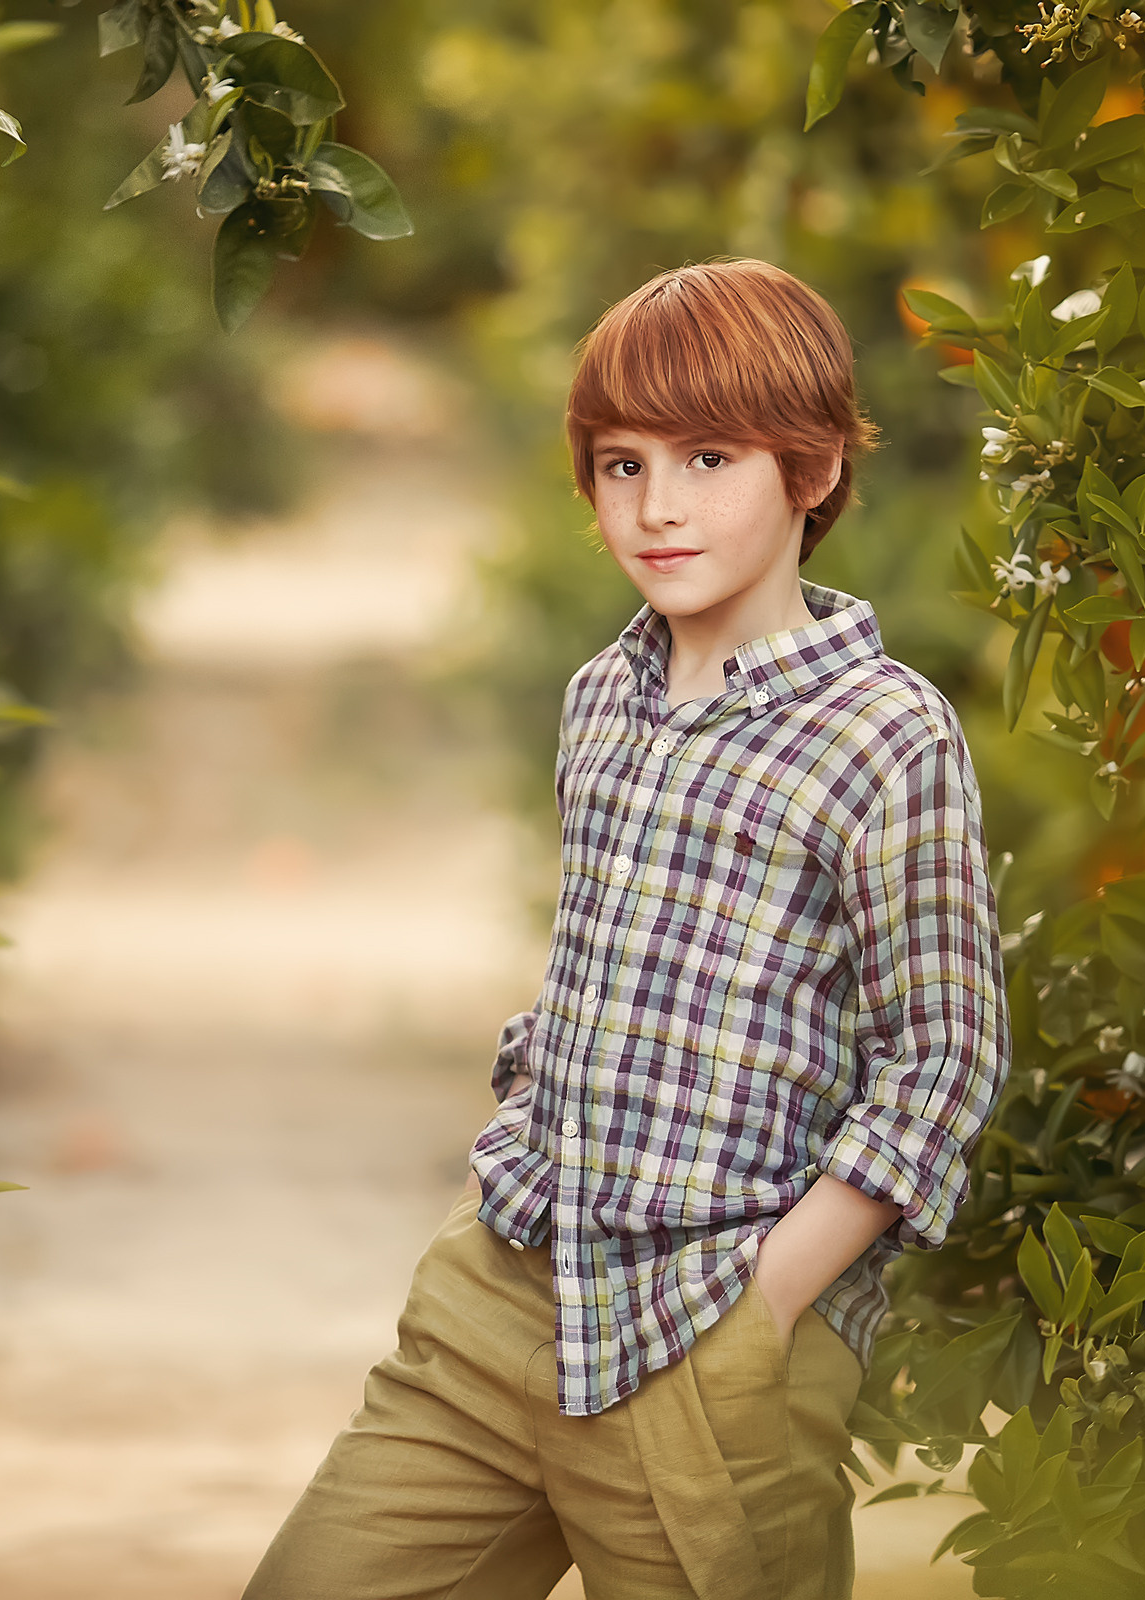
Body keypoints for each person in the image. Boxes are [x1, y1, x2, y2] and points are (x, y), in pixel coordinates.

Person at [245, 258, 1008, 1599]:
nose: (658, 506)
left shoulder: (885, 734)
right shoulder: (603, 695)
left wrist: (767, 1303)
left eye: (709, 458)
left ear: (814, 467)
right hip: (505, 1296)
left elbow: (942, 1060)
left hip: (706, 1333)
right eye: (621, 465)